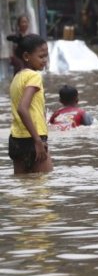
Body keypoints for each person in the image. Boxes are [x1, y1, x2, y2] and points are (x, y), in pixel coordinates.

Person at [7, 34, 52, 174]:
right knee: (42, 189)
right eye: (41, 56)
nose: (45, 60)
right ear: (26, 56)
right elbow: (22, 108)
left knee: (23, 188)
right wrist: (38, 141)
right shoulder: (34, 76)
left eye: (46, 56)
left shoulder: (16, 78)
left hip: (16, 140)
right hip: (33, 139)